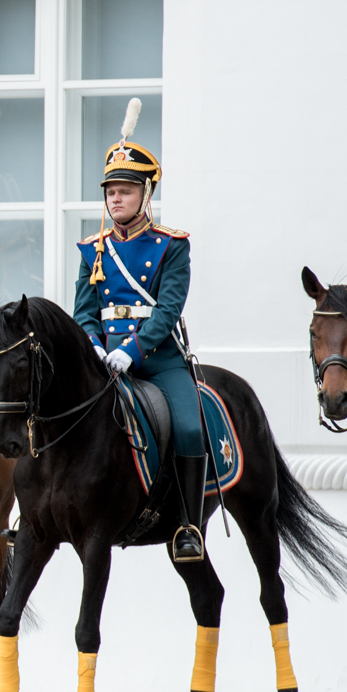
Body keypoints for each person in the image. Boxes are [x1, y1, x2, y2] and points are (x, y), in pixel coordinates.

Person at [72, 99, 205, 563]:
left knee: (190, 427)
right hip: (104, 362)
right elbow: (83, 311)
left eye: (126, 189)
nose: (116, 198)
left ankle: (188, 525)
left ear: (147, 193)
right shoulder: (94, 250)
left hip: (157, 360)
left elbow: (168, 310)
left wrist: (133, 349)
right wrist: (91, 344)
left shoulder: (173, 246)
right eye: (110, 190)